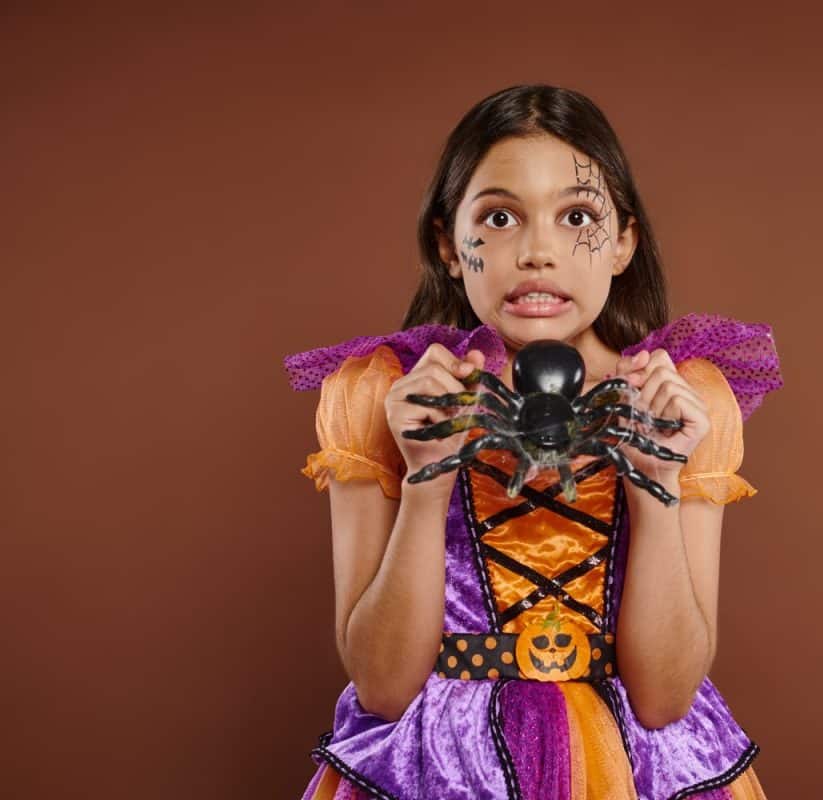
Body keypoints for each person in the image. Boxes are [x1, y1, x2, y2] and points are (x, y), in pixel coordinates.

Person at [283, 84, 783, 800]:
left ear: (623, 243)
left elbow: (666, 698)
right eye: (499, 218)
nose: (539, 253)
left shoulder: (684, 399)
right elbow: (383, 689)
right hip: (443, 768)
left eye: (576, 216)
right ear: (447, 244)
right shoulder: (381, 392)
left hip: (637, 770)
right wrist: (428, 477)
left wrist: (657, 483)